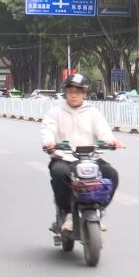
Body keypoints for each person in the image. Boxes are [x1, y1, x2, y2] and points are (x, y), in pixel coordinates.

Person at [40, 73, 125, 233]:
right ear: (65, 92)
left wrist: (110, 141)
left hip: (90, 158)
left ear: (84, 93)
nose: (74, 95)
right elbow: (48, 129)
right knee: (59, 173)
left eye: (78, 91)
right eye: (70, 91)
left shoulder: (92, 112)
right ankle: (67, 215)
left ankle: (98, 211)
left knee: (111, 174)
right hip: (64, 158)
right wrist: (49, 142)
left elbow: (103, 131)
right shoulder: (55, 113)